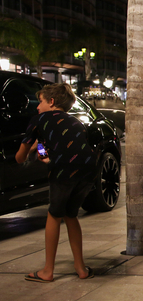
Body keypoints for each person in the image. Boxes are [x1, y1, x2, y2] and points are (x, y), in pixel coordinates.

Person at [15, 83, 97, 282]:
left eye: (40, 102)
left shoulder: (38, 120)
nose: (37, 107)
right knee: (71, 214)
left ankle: (47, 271)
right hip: (88, 170)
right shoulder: (76, 121)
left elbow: (20, 158)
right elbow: (58, 148)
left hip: (63, 172)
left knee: (54, 215)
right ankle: (81, 268)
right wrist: (42, 150)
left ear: (51, 102)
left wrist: (30, 147)